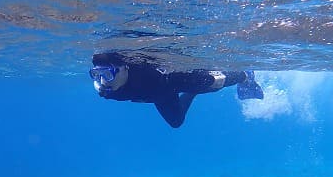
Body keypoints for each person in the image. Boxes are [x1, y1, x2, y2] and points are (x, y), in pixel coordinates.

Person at [89, 52, 264, 128]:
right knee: (176, 122)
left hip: (171, 83)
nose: (103, 81)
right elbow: (100, 85)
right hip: (158, 96)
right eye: (97, 75)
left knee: (212, 84)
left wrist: (215, 80)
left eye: (109, 74)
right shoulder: (107, 89)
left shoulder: (154, 74)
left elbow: (210, 81)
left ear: (125, 67)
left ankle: (245, 75)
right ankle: (194, 92)